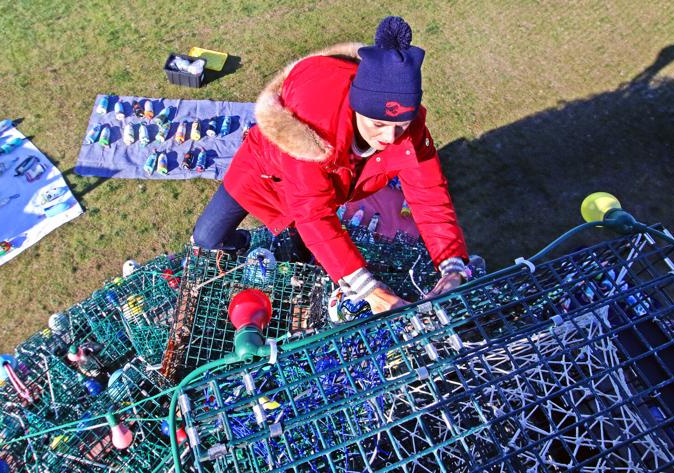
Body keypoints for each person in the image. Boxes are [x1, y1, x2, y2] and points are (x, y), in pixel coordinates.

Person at [192, 16, 470, 313]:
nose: (390, 137)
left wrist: (453, 266)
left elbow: (430, 197)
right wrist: (369, 289)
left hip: (323, 192)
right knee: (207, 237)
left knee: (301, 250)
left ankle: (296, 260)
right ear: (357, 107)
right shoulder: (311, 129)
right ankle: (244, 244)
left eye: (401, 125)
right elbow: (314, 214)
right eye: (378, 123)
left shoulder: (407, 130)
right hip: (263, 174)